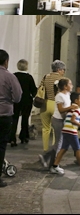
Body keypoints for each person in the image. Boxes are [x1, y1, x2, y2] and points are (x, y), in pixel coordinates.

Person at [50, 92, 80, 174]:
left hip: (66, 130)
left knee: (64, 149)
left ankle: (55, 165)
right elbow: (72, 120)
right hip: (71, 131)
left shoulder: (71, 108)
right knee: (78, 149)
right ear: (76, 100)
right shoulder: (77, 109)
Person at [39, 77, 77, 171]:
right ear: (65, 86)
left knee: (60, 143)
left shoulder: (67, 94)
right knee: (58, 143)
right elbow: (60, 110)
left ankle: (47, 158)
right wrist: (71, 108)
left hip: (63, 120)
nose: (72, 85)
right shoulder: (59, 96)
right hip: (58, 121)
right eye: (70, 84)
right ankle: (52, 165)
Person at [0, 50, 22, 188]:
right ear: (6, 61)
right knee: (1, 145)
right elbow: (18, 96)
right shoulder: (9, 76)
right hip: (4, 115)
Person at [39, 60, 65, 155]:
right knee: (56, 129)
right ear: (59, 69)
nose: (63, 72)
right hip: (56, 105)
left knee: (45, 128)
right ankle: (54, 150)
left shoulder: (46, 77)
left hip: (45, 104)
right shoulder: (62, 79)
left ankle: (45, 149)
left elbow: (40, 88)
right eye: (63, 70)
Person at [12, 59, 36, 146]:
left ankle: (12, 138)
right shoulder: (29, 77)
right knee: (25, 119)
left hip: (15, 100)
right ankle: (24, 136)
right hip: (26, 101)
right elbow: (33, 90)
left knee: (14, 119)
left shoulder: (14, 76)